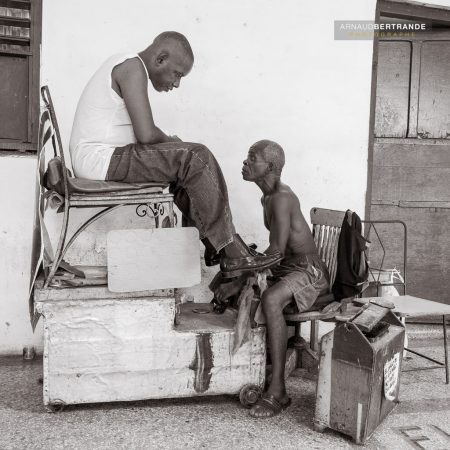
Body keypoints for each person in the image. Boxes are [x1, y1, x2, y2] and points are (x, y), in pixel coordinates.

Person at [69, 31, 281, 277]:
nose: (177, 83)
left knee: (188, 166)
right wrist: (172, 143)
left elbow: (143, 135)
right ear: (160, 59)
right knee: (196, 156)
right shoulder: (131, 67)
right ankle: (230, 249)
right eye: (177, 74)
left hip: (104, 157)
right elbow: (146, 135)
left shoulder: (128, 65)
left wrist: (173, 145)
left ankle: (216, 245)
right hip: (99, 159)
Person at [213, 140, 330, 418]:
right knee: (227, 282)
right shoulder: (266, 197)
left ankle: (278, 390)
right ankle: (246, 367)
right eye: (247, 157)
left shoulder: (281, 198)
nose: (245, 162)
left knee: (270, 297)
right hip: (289, 266)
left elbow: (275, 253)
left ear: (271, 166)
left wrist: (245, 271)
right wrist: (240, 275)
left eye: (252, 158)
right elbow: (277, 255)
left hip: (308, 271)